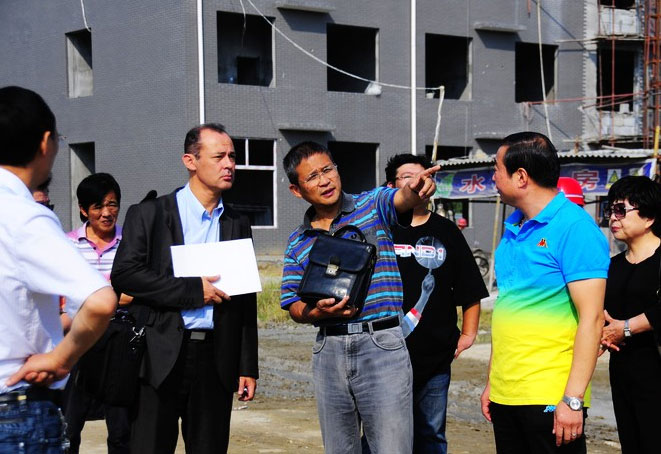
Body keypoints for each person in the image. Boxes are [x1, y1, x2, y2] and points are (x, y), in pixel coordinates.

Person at [280, 142, 440, 454]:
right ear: (296, 190)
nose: (325, 180)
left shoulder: (372, 204)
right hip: (329, 349)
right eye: (312, 177)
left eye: (328, 170)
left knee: (392, 447)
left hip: (381, 344)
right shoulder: (298, 241)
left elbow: (402, 198)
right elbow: (292, 303)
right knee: (339, 448)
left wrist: (415, 191)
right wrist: (316, 313)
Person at [110, 123, 258, 454]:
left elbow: (246, 299)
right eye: (219, 157)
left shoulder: (237, 222)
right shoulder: (149, 214)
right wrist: (192, 291)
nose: (229, 164)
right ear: (190, 161)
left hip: (216, 360)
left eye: (232, 157)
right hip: (158, 354)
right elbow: (126, 275)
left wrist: (247, 366)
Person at [0, 85, 116, 453]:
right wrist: (61, 358)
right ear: (45, 142)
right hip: (16, 407)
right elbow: (100, 301)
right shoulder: (23, 216)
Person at [480, 131, 609, 453]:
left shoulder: (575, 228)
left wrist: (573, 399)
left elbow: (592, 319)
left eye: (497, 169)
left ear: (521, 176)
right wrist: (492, 381)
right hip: (507, 393)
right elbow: (509, 307)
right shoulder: (514, 227)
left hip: (550, 394)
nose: (493, 177)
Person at [384, 153, 489, 453]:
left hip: (435, 358)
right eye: (408, 177)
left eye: (425, 176)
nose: (418, 182)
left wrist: (468, 334)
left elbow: (469, 287)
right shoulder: (380, 229)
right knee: (384, 434)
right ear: (391, 187)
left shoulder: (446, 231)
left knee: (430, 434)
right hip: (383, 357)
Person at [62, 173, 130, 454]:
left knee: (121, 429)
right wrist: (114, 293)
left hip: (121, 342)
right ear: (83, 210)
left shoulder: (131, 244)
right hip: (78, 341)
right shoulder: (67, 245)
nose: (106, 213)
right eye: (98, 206)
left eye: (112, 204)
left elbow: (137, 292)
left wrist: (92, 295)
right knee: (69, 426)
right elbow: (63, 293)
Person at [598, 176, 661, 453]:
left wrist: (626, 328)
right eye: (610, 210)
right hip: (623, 371)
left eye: (621, 210)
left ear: (648, 218)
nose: (613, 217)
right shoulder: (612, 266)